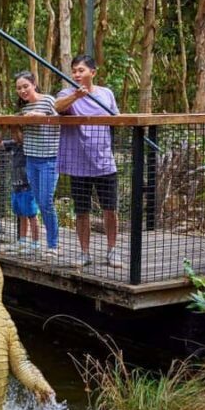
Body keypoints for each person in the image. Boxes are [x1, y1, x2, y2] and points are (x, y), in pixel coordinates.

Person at [55, 54, 122, 268]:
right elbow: (56, 107)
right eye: (74, 70)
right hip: (78, 164)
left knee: (110, 209)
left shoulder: (106, 93)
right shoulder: (67, 93)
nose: (76, 74)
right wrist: (76, 96)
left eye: (81, 70)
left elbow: (117, 118)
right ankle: (84, 253)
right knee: (82, 211)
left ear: (93, 72)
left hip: (104, 161)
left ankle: (112, 251)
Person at [12, 70, 60, 260]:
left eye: (25, 86)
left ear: (34, 84)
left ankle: (53, 244)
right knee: (39, 202)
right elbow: (21, 138)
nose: (22, 90)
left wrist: (40, 115)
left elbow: (59, 121)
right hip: (31, 158)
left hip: (50, 159)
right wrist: (14, 125)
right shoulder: (22, 108)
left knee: (46, 201)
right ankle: (38, 242)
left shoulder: (48, 100)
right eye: (19, 88)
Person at [0, 131, 40, 254]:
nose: (14, 135)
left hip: (28, 185)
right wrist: (2, 129)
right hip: (16, 185)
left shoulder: (28, 144)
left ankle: (36, 243)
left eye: (16, 131)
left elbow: (24, 138)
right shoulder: (13, 144)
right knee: (20, 214)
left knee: (32, 214)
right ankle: (23, 240)